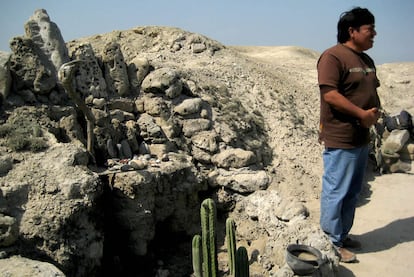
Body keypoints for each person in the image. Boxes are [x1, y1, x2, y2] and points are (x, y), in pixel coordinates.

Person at [317, 7, 381, 263]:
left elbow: (370, 91)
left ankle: (342, 235)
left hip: (361, 138)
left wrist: (374, 114)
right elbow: (330, 94)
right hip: (341, 137)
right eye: (369, 29)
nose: (374, 34)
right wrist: (361, 115)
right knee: (337, 190)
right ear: (352, 31)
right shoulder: (333, 57)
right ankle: (331, 243)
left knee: (353, 191)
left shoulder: (366, 60)